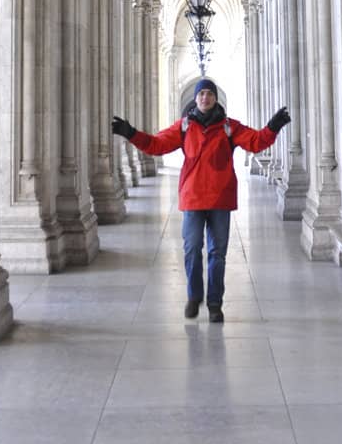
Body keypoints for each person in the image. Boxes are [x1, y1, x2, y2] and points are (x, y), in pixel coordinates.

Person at [112, 80, 290, 322]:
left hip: (220, 197)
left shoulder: (229, 127)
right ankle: (194, 296)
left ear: (215, 98)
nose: (205, 97)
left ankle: (215, 303)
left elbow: (256, 141)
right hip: (193, 197)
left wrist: (273, 126)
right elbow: (157, 145)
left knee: (217, 253)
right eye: (201, 94)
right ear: (195, 99)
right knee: (192, 249)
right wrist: (131, 133)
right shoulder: (184, 127)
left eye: (209, 94)